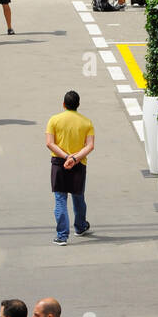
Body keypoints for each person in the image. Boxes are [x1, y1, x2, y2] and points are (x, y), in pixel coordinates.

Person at [45, 90, 95, 245]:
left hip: (59, 163)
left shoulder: (54, 120)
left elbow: (50, 143)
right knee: (78, 196)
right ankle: (80, 227)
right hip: (79, 163)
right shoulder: (86, 122)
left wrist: (66, 157)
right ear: (78, 105)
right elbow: (90, 146)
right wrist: (74, 158)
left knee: (60, 199)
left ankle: (62, 236)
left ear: (63, 104)